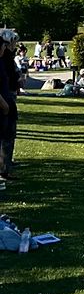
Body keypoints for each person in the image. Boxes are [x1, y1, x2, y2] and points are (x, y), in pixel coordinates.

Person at [0, 29, 23, 182]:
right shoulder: (4, 59)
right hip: (5, 100)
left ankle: (5, 167)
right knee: (6, 136)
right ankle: (3, 170)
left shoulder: (7, 57)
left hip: (7, 98)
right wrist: (5, 105)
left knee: (8, 135)